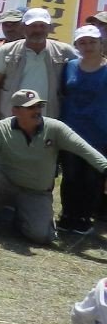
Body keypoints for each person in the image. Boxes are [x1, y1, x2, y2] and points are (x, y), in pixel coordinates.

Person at [0, 90, 107, 244]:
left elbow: (85, 149)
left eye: (39, 106)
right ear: (15, 110)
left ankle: (13, 214)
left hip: (36, 191)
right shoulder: (0, 128)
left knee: (41, 236)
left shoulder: (55, 128)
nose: (37, 111)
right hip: (5, 183)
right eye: (30, 107)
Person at [0, 7, 76, 124]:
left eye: (42, 26)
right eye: (33, 26)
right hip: (11, 119)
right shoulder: (5, 51)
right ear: (23, 27)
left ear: (49, 28)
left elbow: (83, 71)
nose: (37, 30)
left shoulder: (65, 51)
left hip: (49, 120)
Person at [57, 25, 107, 235]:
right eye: (82, 42)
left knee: (92, 177)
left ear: (101, 43)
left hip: (99, 132)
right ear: (76, 45)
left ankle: (84, 217)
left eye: (92, 42)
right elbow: (62, 94)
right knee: (70, 176)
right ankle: (68, 215)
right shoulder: (69, 66)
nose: (87, 46)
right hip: (71, 130)